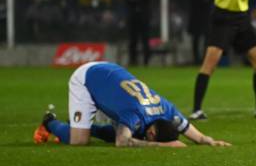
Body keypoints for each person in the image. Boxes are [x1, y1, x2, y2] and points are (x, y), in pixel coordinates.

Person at [33, 62, 230, 147]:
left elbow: (192, 132)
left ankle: (81, 126)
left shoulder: (167, 109)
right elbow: (122, 142)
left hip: (110, 72)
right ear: (152, 134)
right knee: (79, 141)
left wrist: (208, 141)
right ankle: (49, 122)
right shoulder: (135, 114)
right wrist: (166, 146)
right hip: (87, 78)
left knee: (132, 131)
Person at [125, 0, 152, 66]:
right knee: (133, 40)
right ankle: (133, 60)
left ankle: (146, 61)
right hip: (133, 17)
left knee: (145, 39)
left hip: (144, 17)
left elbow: (148, 0)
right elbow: (128, 0)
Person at [188, 0, 214, 64]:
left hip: (207, 19)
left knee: (207, 41)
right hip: (196, 19)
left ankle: (205, 60)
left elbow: (212, 1)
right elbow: (194, 2)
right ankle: (196, 60)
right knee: (196, 40)